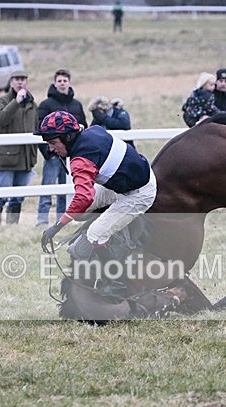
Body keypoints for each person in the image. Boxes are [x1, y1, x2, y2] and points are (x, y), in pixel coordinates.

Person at [36, 111, 156, 284]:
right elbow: (84, 200)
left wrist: (56, 227)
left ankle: (115, 281)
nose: (50, 149)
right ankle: (110, 235)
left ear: (69, 137)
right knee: (81, 212)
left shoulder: (80, 161)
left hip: (139, 194)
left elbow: (84, 197)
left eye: (53, 143)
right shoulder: (91, 131)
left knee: (95, 234)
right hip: (128, 181)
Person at [36, 69, 87, 227]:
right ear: (55, 83)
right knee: (48, 186)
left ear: (69, 83)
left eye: (65, 80)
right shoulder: (46, 105)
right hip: (52, 154)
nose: (62, 83)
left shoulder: (76, 105)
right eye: (59, 81)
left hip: (71, 154)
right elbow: (39, 129)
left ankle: (61, 219)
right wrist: (48, 151)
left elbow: (84, 126)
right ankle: (42, 220)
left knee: (66, 188)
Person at [0, 70, 38, 226]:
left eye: (23, 79)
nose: (20, 82)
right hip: (8, 157)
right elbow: (2, 119)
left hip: (26, 158)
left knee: (18, 197)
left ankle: (12, 228)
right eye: (17, 79)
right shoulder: (2, 101)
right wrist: (16, 102)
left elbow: (36, 127)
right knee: (2, 195)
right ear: (11, 82)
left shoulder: (32, 104)